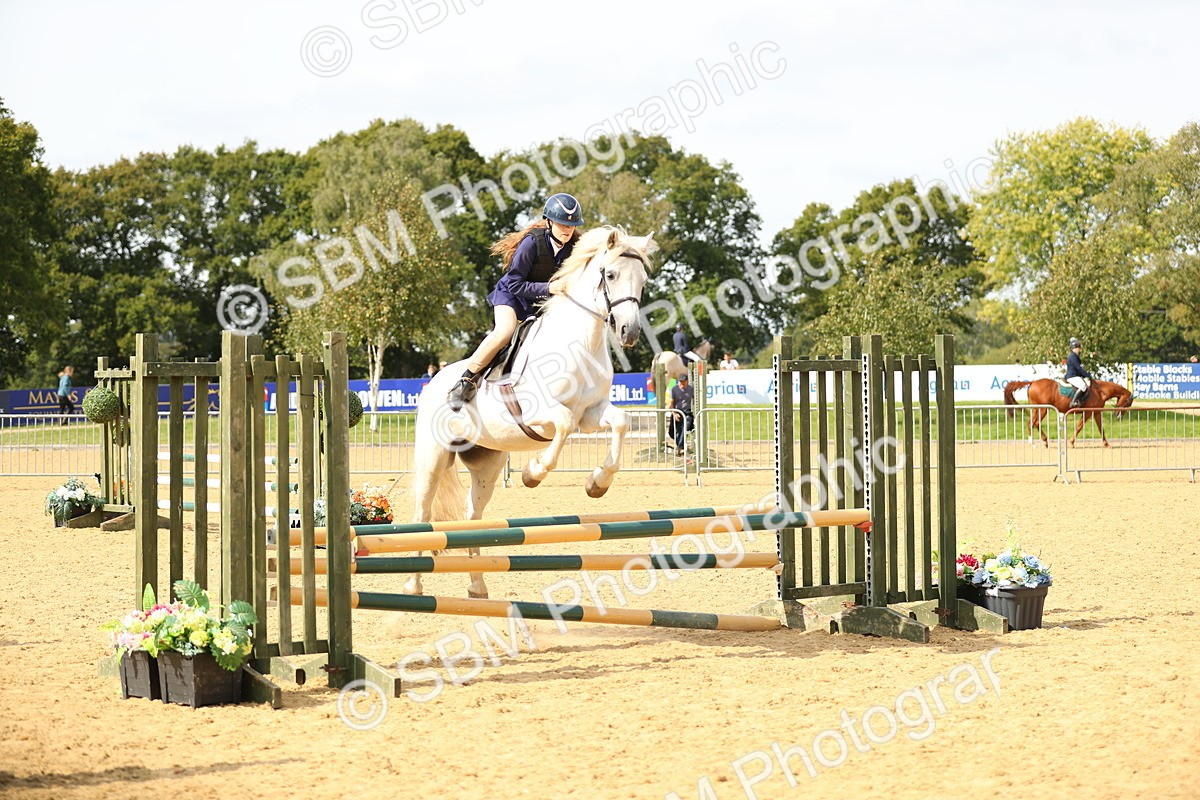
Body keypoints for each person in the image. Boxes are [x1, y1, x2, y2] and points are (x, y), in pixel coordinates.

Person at [448, 193, 584, 410]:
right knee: (505, 331)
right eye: (562, 224)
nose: (567, 229)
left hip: (540, 302)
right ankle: (467, 379)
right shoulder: (532, 243)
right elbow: (514, 283)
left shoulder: (574, 248)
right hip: (511, 296)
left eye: (571, 225)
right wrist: (548, 288)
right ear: (549, 222)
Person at [667, 373, 694, 451]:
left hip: (687, 412)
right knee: (672, 433)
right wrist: (674, 414)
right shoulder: (674, 389)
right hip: (677, 412)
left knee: (686, 426)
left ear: (687, 381)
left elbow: (696, 400)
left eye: (683, 381)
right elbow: (671, 403)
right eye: (680, 381)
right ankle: (680, 445)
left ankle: (680, 447)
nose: (681, 383)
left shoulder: (691, 389)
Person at [1064, 337, 1093, 408]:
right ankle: (1073, 401)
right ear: (1075, 348)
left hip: (1074, 375)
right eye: (1078, 348)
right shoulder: (1073, 356)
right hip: (1072, 376)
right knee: (1083, 386)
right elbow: (1078, 368)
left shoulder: (1074, 356)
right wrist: (1087, 375)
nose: (1079, 350)